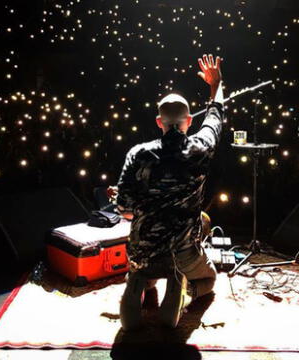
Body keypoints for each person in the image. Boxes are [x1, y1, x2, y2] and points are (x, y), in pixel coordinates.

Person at [111, 54, 225, 330]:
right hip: (181, 252)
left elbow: (123, 209)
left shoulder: (138, 154)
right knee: (209, 281)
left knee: (141, 271)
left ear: (158, 121)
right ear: (188, 120)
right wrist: (216, 83)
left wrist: (132, 200)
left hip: (142, 250)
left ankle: (138, 285)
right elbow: (216, 115)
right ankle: (178, 289)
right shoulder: (201, 148)